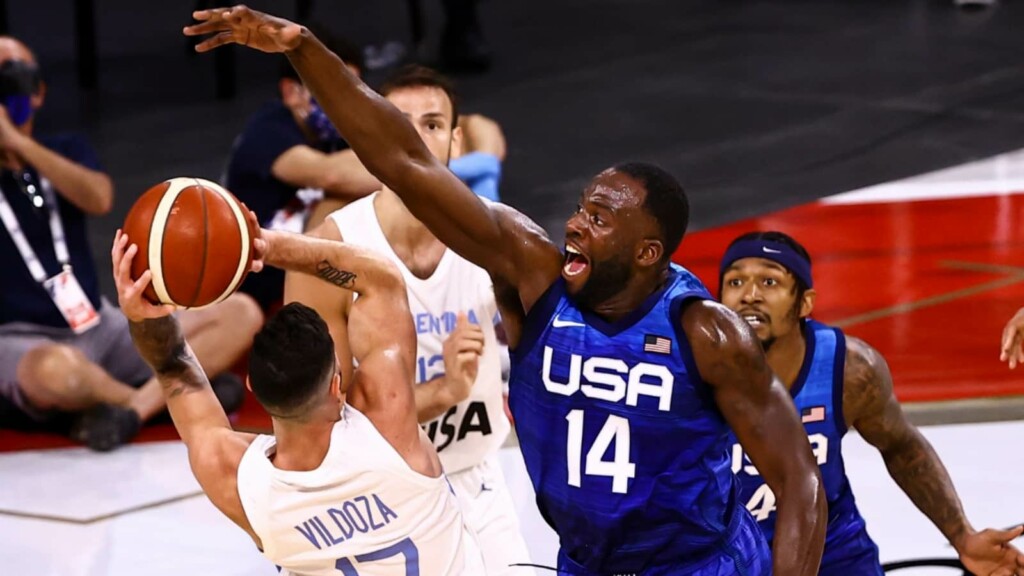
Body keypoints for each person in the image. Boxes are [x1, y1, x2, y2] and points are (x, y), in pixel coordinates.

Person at [185, 9, 829, 575]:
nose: (576, 223)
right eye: (582, 207)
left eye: (600, 220)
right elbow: (404, 163)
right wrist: (304, 47)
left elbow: (800, 482)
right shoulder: (533, 274)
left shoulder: (705, 333)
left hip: (696, 565)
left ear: (648, 253)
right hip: (583, 562)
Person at [113, 221, 483, 574]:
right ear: (337, 383)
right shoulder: (386, 424)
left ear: (253, 389)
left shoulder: (237, 479)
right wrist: (268, 246)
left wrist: (141, 313)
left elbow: (172, 365)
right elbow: (381, 279)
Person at [287, 64, 530, 575]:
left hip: (475, 477)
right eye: (400, 123)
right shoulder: (332, 250)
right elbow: (319, 423)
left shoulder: (499, 235)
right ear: (373, 138)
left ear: (456, 141)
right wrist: (443, 390)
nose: (416, 139)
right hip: (373, 489)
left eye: (433, 124)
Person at [0, 35, 258, 451]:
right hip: (21, 338)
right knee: (58, 374)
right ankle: (171, 397)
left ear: (38, 90)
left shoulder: (63, 149)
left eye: (14, 74)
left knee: (239, 313)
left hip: (99, 324)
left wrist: (19, 145)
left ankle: (128, 412)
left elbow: (98, 197)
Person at [719, 230, 1024, 576]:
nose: (749, 295)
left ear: (805, 303)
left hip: (830, 550)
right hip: (727, 553)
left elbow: (902, 448)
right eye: (735, 281)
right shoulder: (690, 368)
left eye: (769, 281)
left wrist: (962, 535)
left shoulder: (850, 370)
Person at [223, 30, 379, 311]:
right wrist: (416, 166)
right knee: (339, 204)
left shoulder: (340, 130)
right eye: (331, 89)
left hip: (304, 264)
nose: (343, 102)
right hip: (256, 279)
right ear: (291, 92)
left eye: (351, 90)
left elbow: (477, 125)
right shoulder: (267, 129)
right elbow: (332, 174)